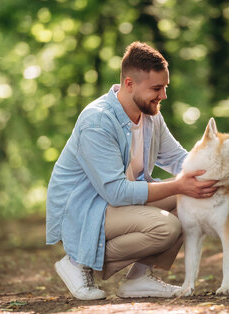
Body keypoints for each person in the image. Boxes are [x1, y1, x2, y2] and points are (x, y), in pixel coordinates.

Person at [46, 42, 217, 300]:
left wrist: (217, 170)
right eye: (156, 88)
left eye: (165, 87)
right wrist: (179, 185)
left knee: (194, 196)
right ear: (129, 84)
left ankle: (138, 279)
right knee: (166, 227)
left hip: (117, 204)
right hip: (85, 210)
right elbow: (115, 192)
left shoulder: (151, 115)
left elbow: (178, 159)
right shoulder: (97, 121)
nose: (164, 95)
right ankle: (78, 260)